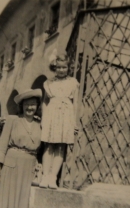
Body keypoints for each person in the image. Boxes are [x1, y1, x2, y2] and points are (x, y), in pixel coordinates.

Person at [39, 52, 79, 189]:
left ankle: (53, 177)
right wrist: (44, 119)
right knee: (49, 145)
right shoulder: (48, 83)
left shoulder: (73, 83)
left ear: (68, 68)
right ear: (54, 68)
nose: (61, 70)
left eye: (64, 67)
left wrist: (74, 122)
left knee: (61, 147)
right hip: (51, 114)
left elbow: (76, 104)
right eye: (59, 67)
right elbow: (45, 101)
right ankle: (44, 176)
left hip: (66, 115)